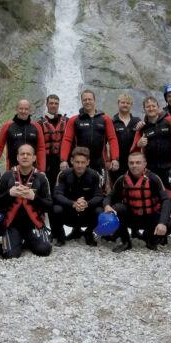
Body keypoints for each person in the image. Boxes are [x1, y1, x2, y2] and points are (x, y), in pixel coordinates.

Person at [131, 96, 171, 252]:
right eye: (147, 106)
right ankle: (156, 235)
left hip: (168, 168)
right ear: (144, 109)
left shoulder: (169, 121)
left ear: (158, 107)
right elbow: (133, 152)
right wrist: (138, 144)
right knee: (155, 203)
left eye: (153, 105)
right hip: (151, 171)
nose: (151, 108)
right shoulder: (142, 127)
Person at [59, 89, 119, 240]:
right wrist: (64, 159)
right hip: (80, 163)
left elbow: (112, 139)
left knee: (102, 195)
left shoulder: (105, 119)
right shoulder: (75, 119)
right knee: (78, 193)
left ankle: (100, 229)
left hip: (99, 163)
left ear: (94, 100)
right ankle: (77, 229)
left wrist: (115, 158)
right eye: (84, 99)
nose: (87, 101)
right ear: (82, 101)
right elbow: (67, 140)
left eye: (89, 99)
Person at [0, 144, 53, 259]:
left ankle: (27, 240)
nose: (25, 156)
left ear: (34, 158)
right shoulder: (7, 176)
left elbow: (49, 206)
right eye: (22, 154)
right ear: (17, 157)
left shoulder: (41, 178)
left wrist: (34, 197)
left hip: (34, 224)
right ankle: (16, 240)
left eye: (28, 154)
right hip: (12, 224)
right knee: (10, 255)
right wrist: (9, 194)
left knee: (44, 250)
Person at [103, 152, 171, 252]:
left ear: (145, 164)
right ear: (128, 164)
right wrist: (107, 206)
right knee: (117, 208)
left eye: (138, 162)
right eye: (131, 163)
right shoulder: (122, 180)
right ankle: (126, 242)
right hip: (131, 218)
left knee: (170, 223)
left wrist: (162, 222)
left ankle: (151, 240)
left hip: (150, 217)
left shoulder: (154, 179)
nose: (134, 165)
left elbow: (166, 200)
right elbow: (109, 197)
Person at [52, 147, 104, 246]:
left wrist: (87, 204)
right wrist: (73, 203)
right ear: (71, 161)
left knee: (99, 210)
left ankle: (89, 234)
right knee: (55, 209)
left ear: (88, 162)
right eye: (77, 162)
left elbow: (99, 196)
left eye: (83, 162)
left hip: (86, 211)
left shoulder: (94, 175)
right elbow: (57, 194)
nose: (80, 165)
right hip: (70, 210)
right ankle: (60, 237)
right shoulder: (64, 174)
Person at [0, 99, 46, 171]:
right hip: (12, 169)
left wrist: (42, 170)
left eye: (26, 109)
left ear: (30, 110)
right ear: (16, 109)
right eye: (21, 108)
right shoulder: (7, 126)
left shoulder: (37, 127)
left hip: (33, 170)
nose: (23, 111)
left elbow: (41, 149)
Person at [37, 94, 68, 193]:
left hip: (63, 161)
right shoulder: (39, 123)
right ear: (46, 104)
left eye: (56, 103)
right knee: (47, 188)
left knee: (63, 188)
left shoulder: (67, 121)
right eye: (51, 103)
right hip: (47, 162)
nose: (53, 105)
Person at [110, 93, 141, 186]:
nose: (125, 105)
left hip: (134, 161)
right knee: (117, 187)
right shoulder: (112, 122)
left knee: (134, 187)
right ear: (118, 103)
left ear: (131, 105)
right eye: (123, 102)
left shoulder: (137, 121)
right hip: (117, 161)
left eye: (128, 103)